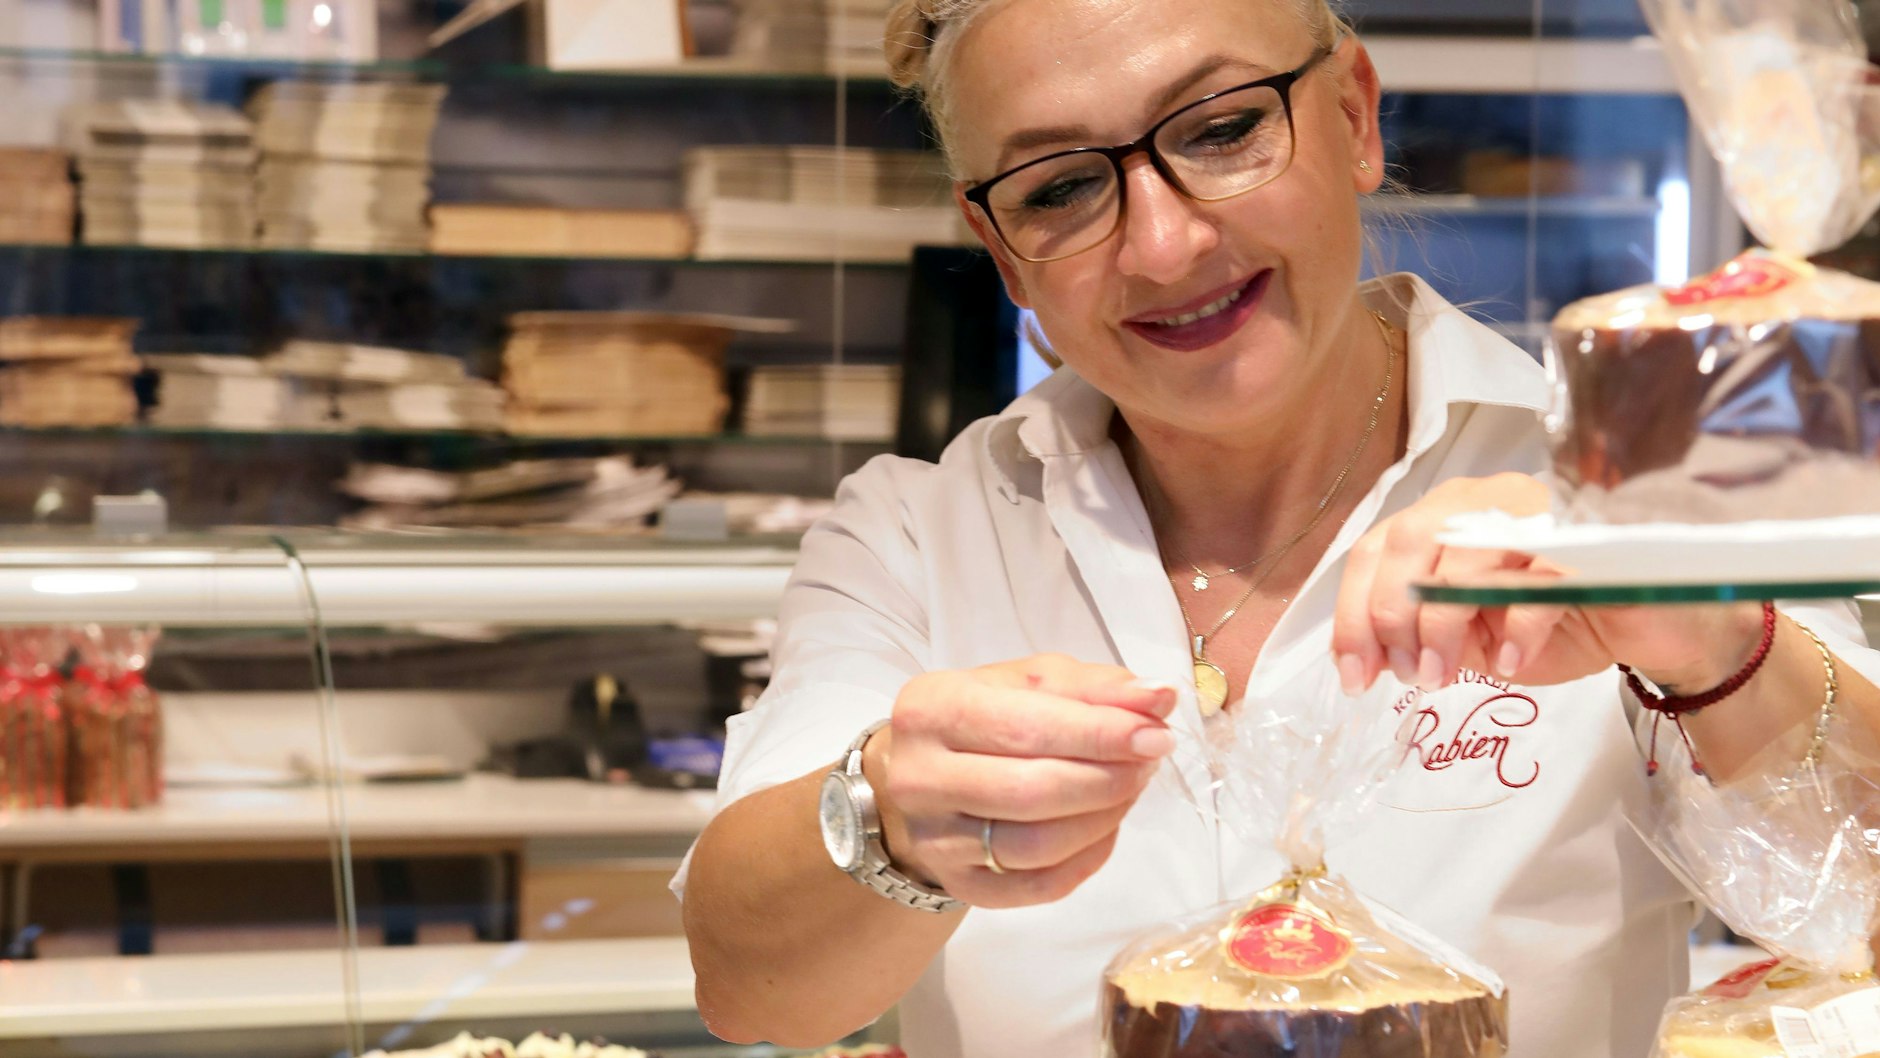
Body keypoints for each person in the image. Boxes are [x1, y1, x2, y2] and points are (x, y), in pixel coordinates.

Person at [675, 0, 1880, 1055]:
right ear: (1001, 249)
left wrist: (1707, 640)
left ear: (1353, 113)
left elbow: (1857, 902)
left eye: (1219, 129)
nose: (1164, 244)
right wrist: (888, 816)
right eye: (1058, 189)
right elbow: (751, 986)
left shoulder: (1615, 472)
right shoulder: (917, 533)